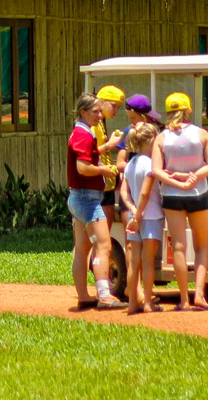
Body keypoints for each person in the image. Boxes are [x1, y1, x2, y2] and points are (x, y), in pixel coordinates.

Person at [160, 92, 208, 311]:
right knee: (201, 246)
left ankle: (183, 299)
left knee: (178, 246)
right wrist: (194, 176)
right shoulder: (201, 134)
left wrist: (176, 180)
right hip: (197, 194)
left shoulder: (162, 137)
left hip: (171, 195)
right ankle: (200, 296)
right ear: (189, 110)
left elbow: (157, 170)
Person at [68, 92, 125, 309]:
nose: (99, 115)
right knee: (103, 245)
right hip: (88, 199)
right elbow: (83, 167)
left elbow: (88, 156)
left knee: (82, 248)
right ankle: (104, 296)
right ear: (83, 112)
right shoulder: (85, 135)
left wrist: (107, 147)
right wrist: (105, 170)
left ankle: (84, 296)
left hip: (78, 197)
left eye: (100, 111)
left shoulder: (80, 132)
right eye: (95, 111)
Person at [120, 122, 163, 314]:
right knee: (147, 261)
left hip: (133, 216)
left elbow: (124, 192)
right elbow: (145, 194)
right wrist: (139, 214)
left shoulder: (130, 164)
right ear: (152, 140)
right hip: (150, 215)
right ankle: (147, 302)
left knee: (134, 261)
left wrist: (132, 211)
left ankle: (132, 303)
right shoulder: (150, 164)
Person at [92, 85, 127, 223]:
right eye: (114, 106)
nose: (116, 110)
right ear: (102, 102)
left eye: (119, 107)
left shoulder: (101, 122)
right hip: (98, 183)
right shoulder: (93, 124)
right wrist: (109, 145)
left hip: (106, 182)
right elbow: (87, 154)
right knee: (101, 236)